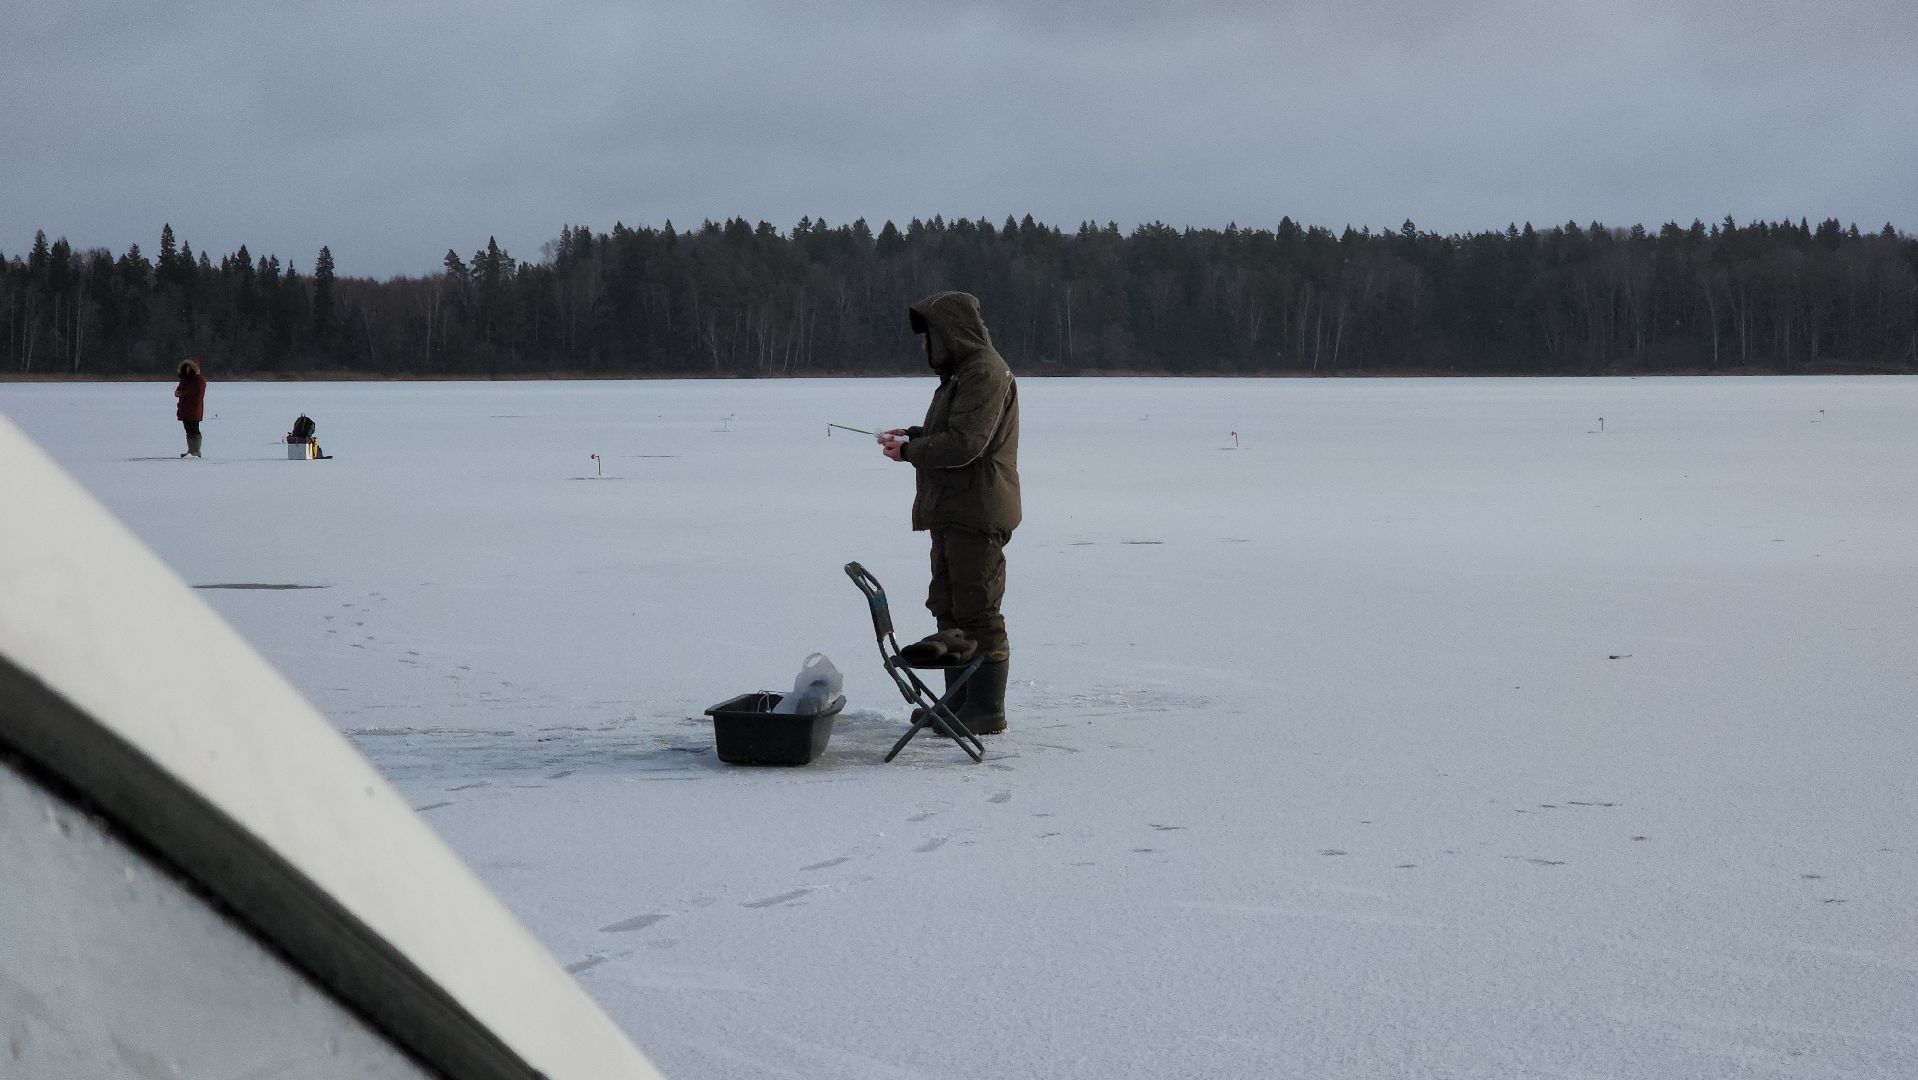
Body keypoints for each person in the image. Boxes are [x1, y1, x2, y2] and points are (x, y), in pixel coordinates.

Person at [878, 291, 1021, 735]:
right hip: (952, 510)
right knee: (948, 607)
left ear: (951, 333)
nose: (924, 345)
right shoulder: (960, 375)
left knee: (978, 611)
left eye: (929, 336)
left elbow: (966, 444)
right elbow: (954, 430)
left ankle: (986, 711)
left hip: (977, 511)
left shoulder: (986, 373)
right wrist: (915, 435)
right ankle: (958, 701)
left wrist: (910, 452)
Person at [175, 359, 206, 458]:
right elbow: (179, 390)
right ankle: (191, 450)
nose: (188, 370)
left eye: (190, 368)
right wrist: (178, 393)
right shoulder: (184, 379)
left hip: (194, 408)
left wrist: (183, 393)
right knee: (188, 428)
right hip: (184, 408)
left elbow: (197, 392)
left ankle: (196, 450)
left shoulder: (199, 379)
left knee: (194, 429)